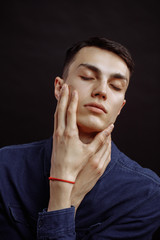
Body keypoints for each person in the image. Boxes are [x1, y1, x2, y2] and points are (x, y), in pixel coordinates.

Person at [0, 37, 160, 240]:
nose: (101, 91)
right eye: (87, 77)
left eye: (116, 86)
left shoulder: (146, 194)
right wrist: (65, 187)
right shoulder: (5, 167)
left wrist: (64, 194)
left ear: (120, 107)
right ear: (59, 88)